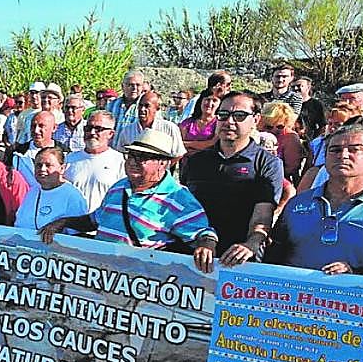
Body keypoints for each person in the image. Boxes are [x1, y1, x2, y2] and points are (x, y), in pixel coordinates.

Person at [41, 129, 218, 274]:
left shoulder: (177, 198)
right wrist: (62, 223)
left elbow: (204, 233)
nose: (133, 162)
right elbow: (95, 220)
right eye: (131, 155)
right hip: (101, 277)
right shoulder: (119, 187)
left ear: (163, 163)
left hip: (140, 286)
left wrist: (206, 247)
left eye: (142, 157)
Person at [181, 91, 284, 266]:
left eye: (239, 115)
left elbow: (262, 218)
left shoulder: (267, 164)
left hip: (238, 259)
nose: (229, 121)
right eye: (223, 115)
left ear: (256, 119)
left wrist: (250, 244)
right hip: (192, 255)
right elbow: (183, 211)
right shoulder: (196, 161)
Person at [267, 126, 363, 274]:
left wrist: (355, 272)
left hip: (354, 294)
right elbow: (273, 257)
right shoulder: (297, 204)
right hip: (294, 293)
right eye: (335, 150)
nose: (343, 155)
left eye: (355, 150)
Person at [14, 147, 88, 233]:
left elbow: (77, 234)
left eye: (48, 165)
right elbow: (20, 223)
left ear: (62, 169)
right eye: (38, 165)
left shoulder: (72, 196)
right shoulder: (32, 192)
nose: (42, 169)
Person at [65, 111, 126, 213]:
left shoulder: (119, 162)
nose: (92, 133)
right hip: (72, 225)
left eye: (98, 129)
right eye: (88, 128)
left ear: (111, 134)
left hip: (102, 223)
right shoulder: (69, 159)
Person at [259, 100, 307, 183]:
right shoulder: (259, 134)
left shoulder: (290, 137)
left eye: (280, 126)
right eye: (269, 127)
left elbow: (291, 169)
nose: (274, 130)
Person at [106, 70, 147, 145]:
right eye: (130, 85)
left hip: (133, 153)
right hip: (112, 152)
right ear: (122, 86)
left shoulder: (146, 108)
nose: (134, 88)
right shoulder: (111, 105)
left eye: (138, 85)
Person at [179, 88, 220, 153]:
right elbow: (178, 145)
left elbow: (212, 144)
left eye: (214, 100)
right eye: (207, 100)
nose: (210, 104)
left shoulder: (220, 123)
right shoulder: (187, 123)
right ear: (201, 101)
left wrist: (187, 144)